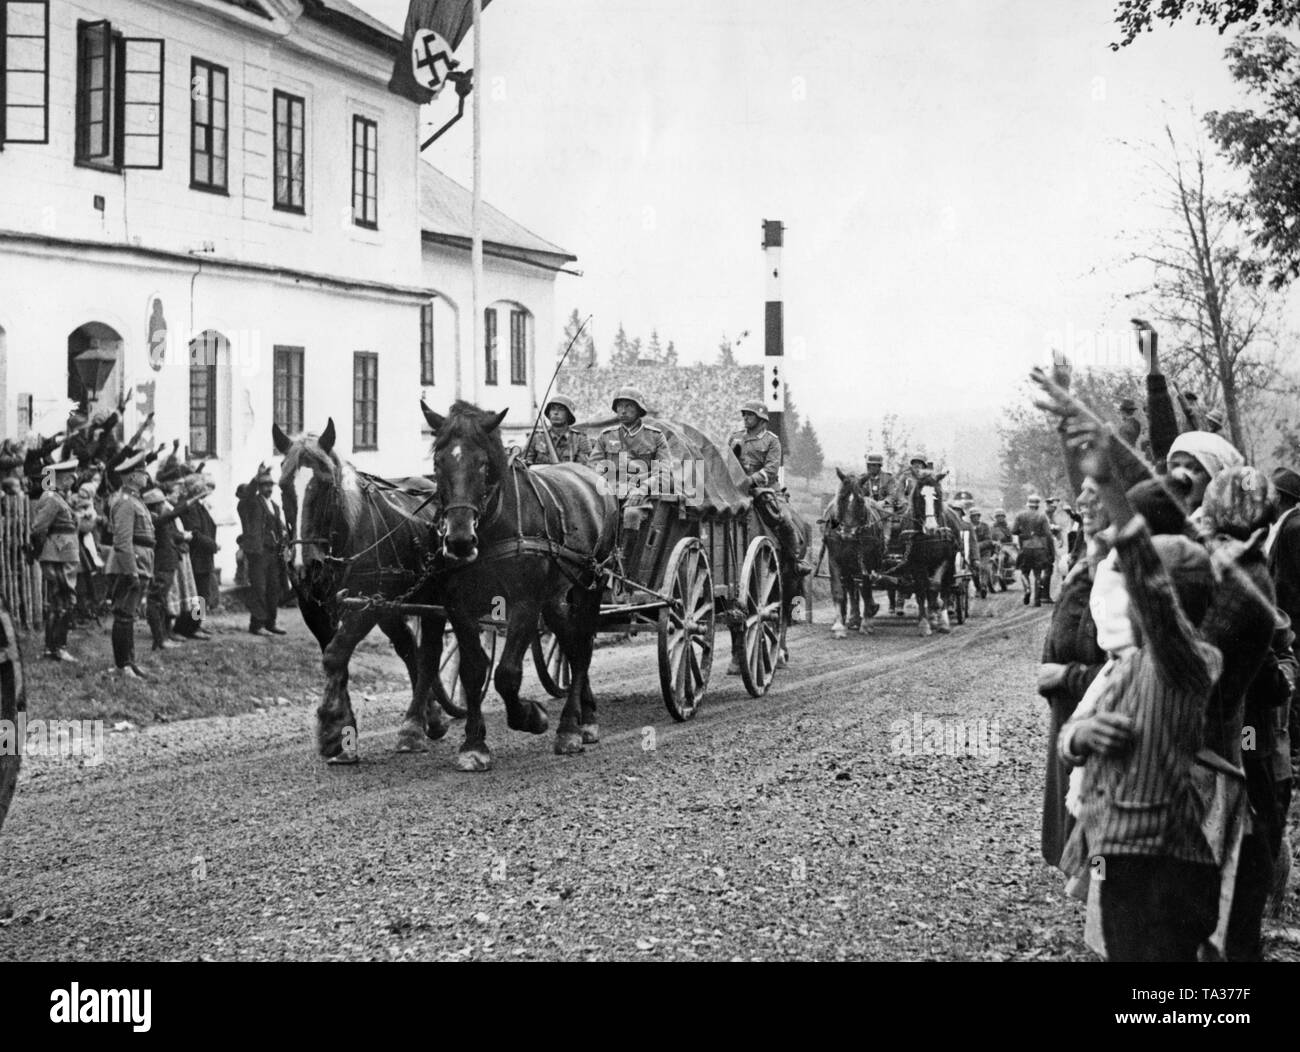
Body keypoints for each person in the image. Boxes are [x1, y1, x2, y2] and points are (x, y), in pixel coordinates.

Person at [1058, 520, 1223, 962]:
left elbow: (1158, 599)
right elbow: (1068, 736)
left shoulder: (1190, 664)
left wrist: (1114, 496)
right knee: (1120, 949)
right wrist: (1082, 736)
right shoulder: (1125, 666)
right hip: (1116, 858)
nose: (1124, 603)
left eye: (1130, 593)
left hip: (1166, 868)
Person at [590, 388, 675, 586]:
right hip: (608, 494)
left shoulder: (655, 437)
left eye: (629, 406)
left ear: (639, 410)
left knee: (632, 515)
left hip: (642, 497)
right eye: (620, 406)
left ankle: (625, 567)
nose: (623, 411)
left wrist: (643, 488)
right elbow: (593, 466)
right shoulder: (605, 436)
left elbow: (664, 472)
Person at [728, 402, 810, 577]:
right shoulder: (735, 438)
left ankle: (795, 560)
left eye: (749, 415)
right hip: (737, 490)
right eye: (744, 415)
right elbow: (727, 463)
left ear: (761, 419)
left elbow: (771, 470)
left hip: (767, 491)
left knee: (785, 518)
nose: (745, 418)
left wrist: (750, 480)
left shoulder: (772, 441)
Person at [104, 453, 153, 678]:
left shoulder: (134, 499)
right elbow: (122, 541)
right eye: (143, 472)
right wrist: (131, 570)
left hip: (139, 561)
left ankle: (130, 662)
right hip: (129, 564)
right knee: (124, 615)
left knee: (129, 615)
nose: (146, 476)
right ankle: (122, 665)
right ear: (133, 476)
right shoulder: (125, 502)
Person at [29, 456, 82, 662]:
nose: (71, 482)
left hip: (62, 555)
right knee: (62, 601)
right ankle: (56, 648)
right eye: (69, 478)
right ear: (59, 478)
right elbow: (39, 528)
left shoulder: (56, 497)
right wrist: (46, 550)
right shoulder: (51, 498)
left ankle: (55, 648)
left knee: (61, 601)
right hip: (58, 556)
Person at [237, 465, 287, 636]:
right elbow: (248, 494)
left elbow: (278, 527)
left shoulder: (274, 506)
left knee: (274, 588)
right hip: (258, 553)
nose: (268, 488)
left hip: (273, 553)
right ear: (258, 486)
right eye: (264, 485)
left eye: (270, 485)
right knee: (259, 588)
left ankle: (270, 622)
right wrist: (256, 476)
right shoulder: (251, 502)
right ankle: (256, 624)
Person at [174, 473, 218, 639]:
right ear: (197, 489)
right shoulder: (192, 507)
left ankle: (195, 624)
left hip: (203, 556)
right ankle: (191, 627)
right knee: (198, 594)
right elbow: (195, 533)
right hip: (197, 556)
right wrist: (212, 545)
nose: (207, 489)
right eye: (204, 486)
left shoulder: (198, 505)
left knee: (201, 593)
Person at [1011, 494, 1055, 605]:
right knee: (1038, 574)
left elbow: (1013, 530)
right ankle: (1037, 600)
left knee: (1024, 572)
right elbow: (1048, 534)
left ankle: (1027, 589)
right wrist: (1051, 550)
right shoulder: (1042, 516)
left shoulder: (1020, 515)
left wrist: (1023, 534)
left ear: (1028, 504)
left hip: (1025, 547)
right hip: (1039, 548)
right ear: (1037, 505)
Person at [523, 395, 591, 466]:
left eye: (561, 409)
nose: (555, 412)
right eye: (553, 409)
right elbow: (525, 466)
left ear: (569, 415)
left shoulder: (580, 439)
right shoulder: (536, 438)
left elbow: (583, 470)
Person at [969, 509, 994, 599]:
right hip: (972, 553)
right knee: (974, 572)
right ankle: (978, 588)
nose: (976, 517)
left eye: (977, 516)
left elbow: (989, 540)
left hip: (984, 552)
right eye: (974, 516)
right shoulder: (968, 526)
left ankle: (983, 586)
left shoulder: (985, 526)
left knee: (984, 568)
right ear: (971, 517)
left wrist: (977, 545)